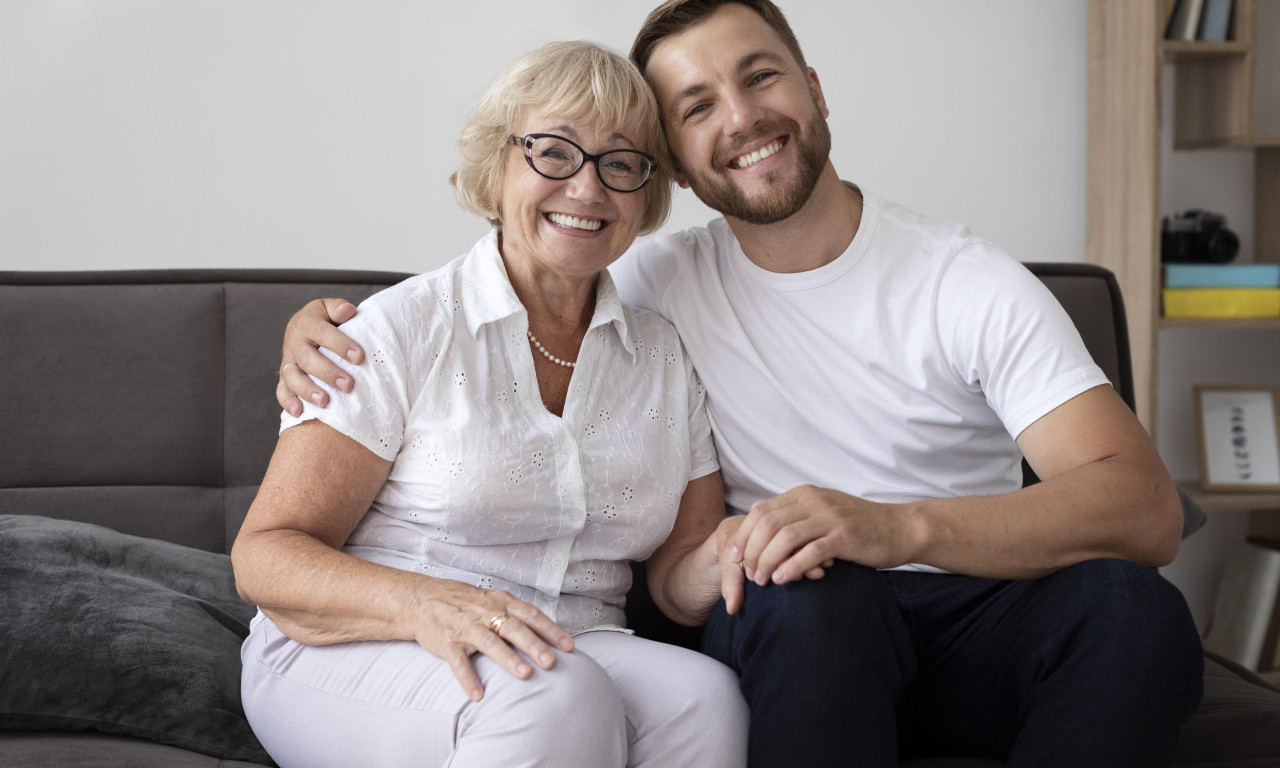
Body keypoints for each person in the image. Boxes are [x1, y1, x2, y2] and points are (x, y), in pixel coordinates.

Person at [276, 3, 1205, 766]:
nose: (741, 119)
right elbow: (523, 254)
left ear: (814, 89)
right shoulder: (648, 280)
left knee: (1136, 611)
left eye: (760, 77)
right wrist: (325, 326)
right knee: (814, 589)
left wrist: (897, 528)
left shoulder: (966, 283)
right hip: (797, 624)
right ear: (676, 166)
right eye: (696, 106)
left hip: (968, 614)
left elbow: (1144, 507)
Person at [232, 40, 750, 768]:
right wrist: (423, 602)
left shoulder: (663, 356)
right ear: (496, 165)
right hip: (364, 638)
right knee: (553, 694)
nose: (587, 188)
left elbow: (676, 577)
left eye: (620, 162)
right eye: (554, 152)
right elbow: (265, 556)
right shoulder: (400, 328)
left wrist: (738, 548)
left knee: (703, 697)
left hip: (572, 639)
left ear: (647, 190)